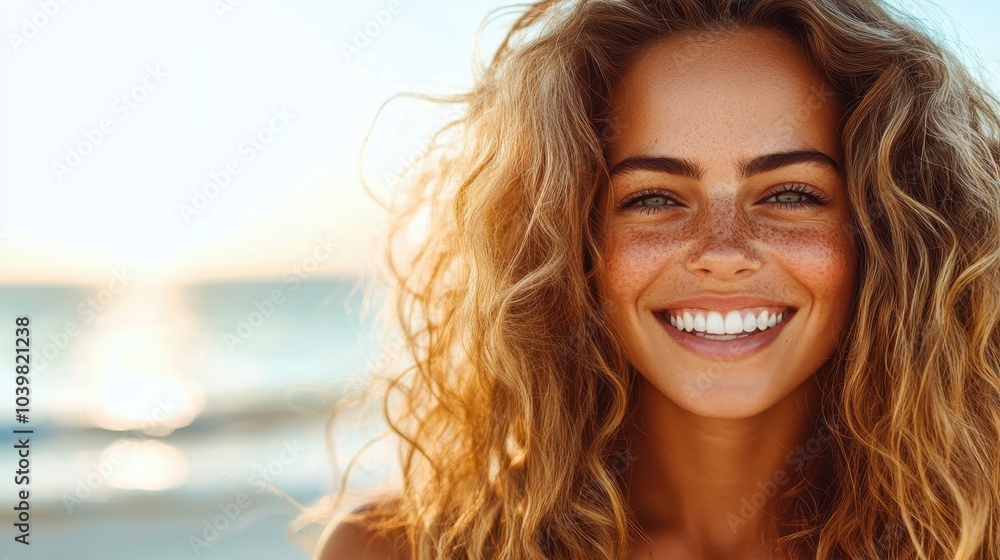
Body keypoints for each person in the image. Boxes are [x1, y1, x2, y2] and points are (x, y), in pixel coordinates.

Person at [313, 0, 1000, 558]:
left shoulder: (977, 533)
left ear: (887, 233)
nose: (723, 252)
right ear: (569, 242)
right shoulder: (399, 551)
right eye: (653, 199)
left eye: (790, 194)